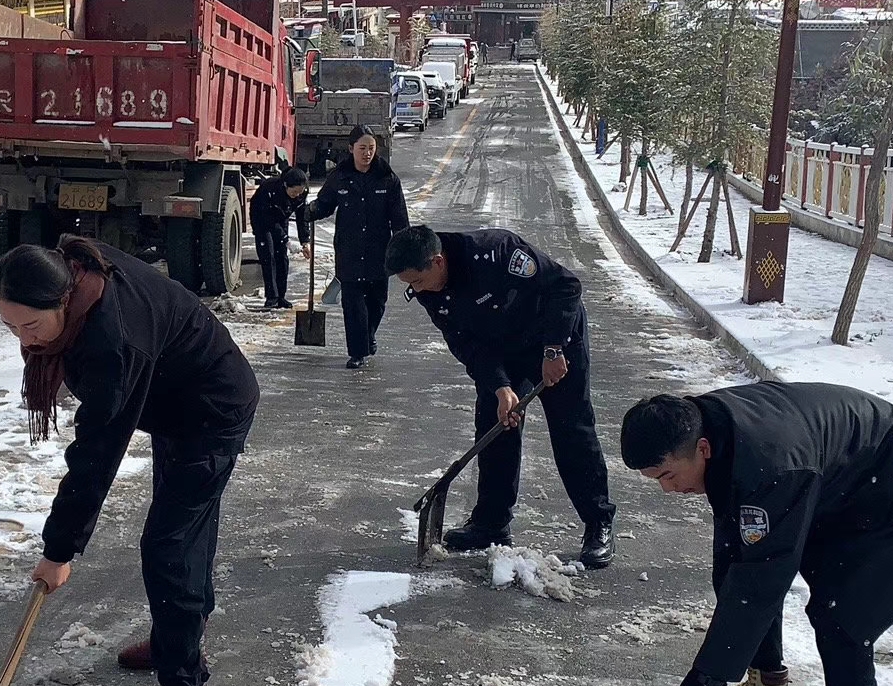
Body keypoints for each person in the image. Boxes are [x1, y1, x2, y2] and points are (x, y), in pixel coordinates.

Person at [0, 237, 259, 686]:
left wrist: (59, 550)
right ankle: (172, 639)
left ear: (63, 299)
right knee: (184, 532)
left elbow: (97, 453)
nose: (23, 342)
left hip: (212, 409)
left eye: (30, 326)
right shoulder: (79, 275)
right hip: (173, 400)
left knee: (168, 546)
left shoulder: (111, 341)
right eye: (10, 327)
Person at [618, 384, 893, 686]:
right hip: (841, 483)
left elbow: (764, 577)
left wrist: (711, 674)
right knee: (733, 562)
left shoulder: (770, 464)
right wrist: (721, 665)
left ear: (702, 449)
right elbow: (744, 569)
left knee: (841, 604)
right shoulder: (708, 427)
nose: (667, 490)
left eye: (667, 475)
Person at [385, 225, 617, 569]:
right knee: (495, 425)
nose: (415, 291)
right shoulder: (429, 291)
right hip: (502, 350)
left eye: (416, 281)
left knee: (572, 431)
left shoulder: (496, 252)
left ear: (437, 261)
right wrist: (500, 387)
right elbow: (464, 343)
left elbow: (566, 286)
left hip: (553, 339)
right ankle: (491, 522)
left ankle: (598, 522)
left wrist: (553, 350)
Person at [307, 126, 408, 369]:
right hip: (349, 252)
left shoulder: (387, 178)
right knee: (353, 306)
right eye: (362, 148)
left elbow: (400, 220)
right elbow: (324, 204)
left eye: (371, 148)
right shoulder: (339, 178)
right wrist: (309, 212)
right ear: (351, 149)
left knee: (376, 303)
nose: (367, 153)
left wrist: (404, 248)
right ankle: (357, 352)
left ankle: (368, 336)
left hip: (378, 253)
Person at [249, 167, 311, 309]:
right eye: (294, 192)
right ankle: (272, 297)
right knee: (268, 255)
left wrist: (305, 241)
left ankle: (281, 296)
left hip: (281, 216)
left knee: (281, 256)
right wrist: (286, 239)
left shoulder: (301, 194)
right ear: (285, 185)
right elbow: (268, 220)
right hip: (262, 218)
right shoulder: (270, 188)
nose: (297, 195)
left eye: (300, 193)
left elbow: (303, 217)